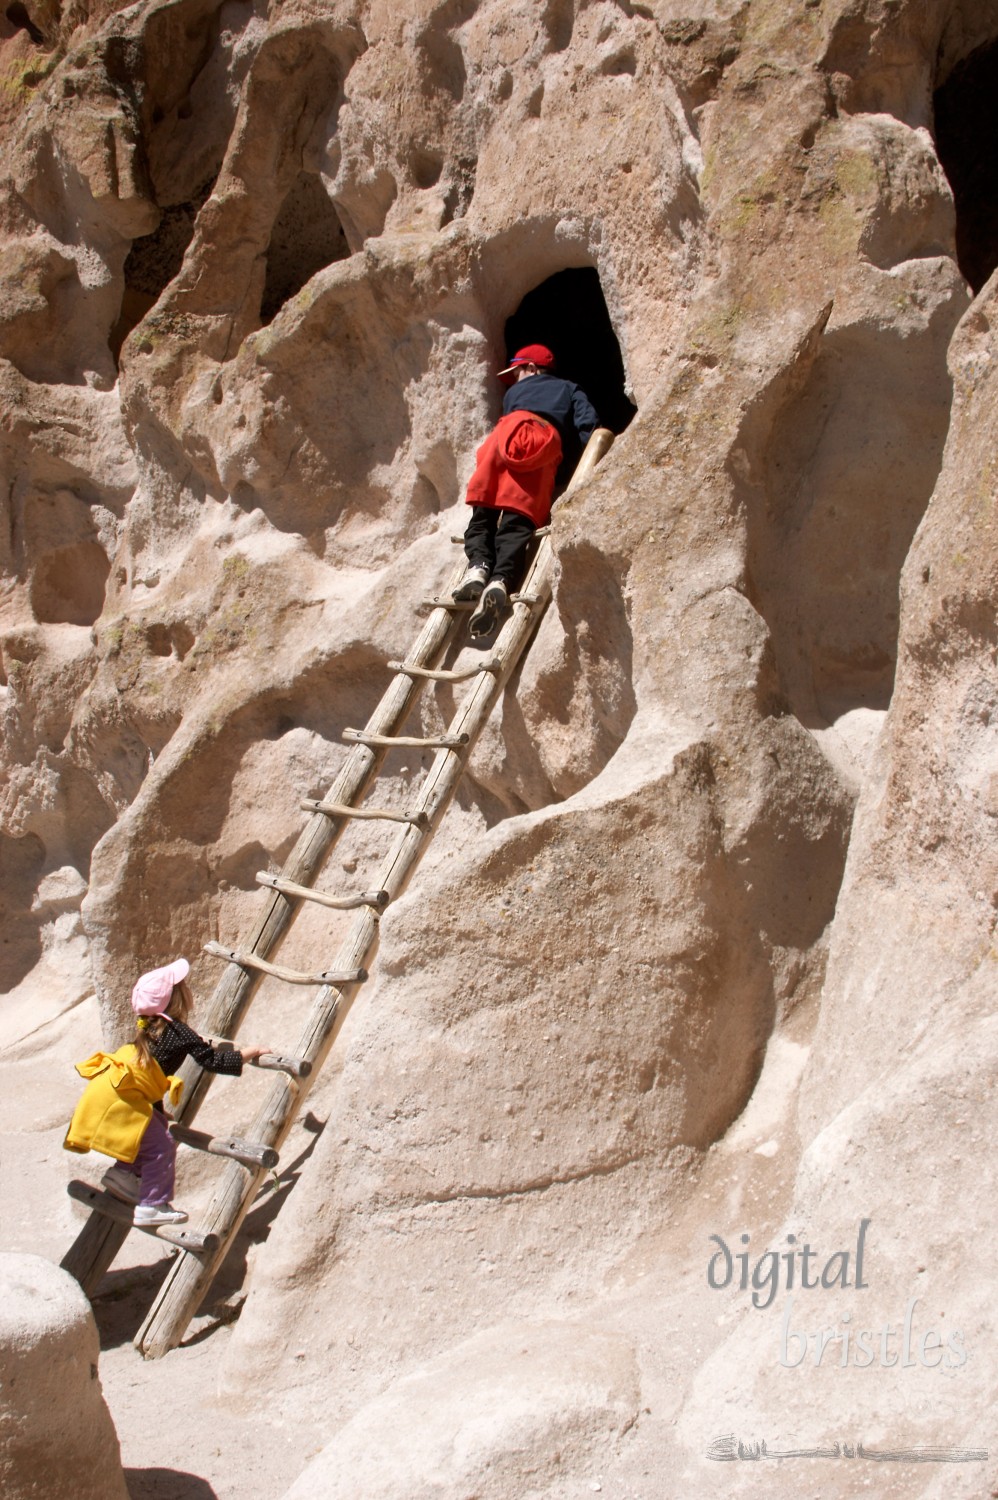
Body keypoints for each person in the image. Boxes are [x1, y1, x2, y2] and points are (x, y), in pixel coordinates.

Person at [64, 958, 271, 1226]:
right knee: (161, 1146)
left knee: (154, 1126)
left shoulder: (147, 1028)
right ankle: (152, 1205)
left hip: (114, 1092)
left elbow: (145, 1080)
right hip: (124, 1097)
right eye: (182, 987)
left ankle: (124, 1173)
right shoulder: (179, 1031)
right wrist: (247, 1053)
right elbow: (213, 1061)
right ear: (177, 998)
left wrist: (158, 1111)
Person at [454, 344, 600, 637]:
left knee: (483, 513)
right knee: (517, 518)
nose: (515, 380)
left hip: (503, 438)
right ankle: (501, 581)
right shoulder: (570, 389)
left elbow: (512, 433)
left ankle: (478, 567)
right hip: (542, 444)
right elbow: (589, 425)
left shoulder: (513, 397)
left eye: (516, 372)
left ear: (531, 368)